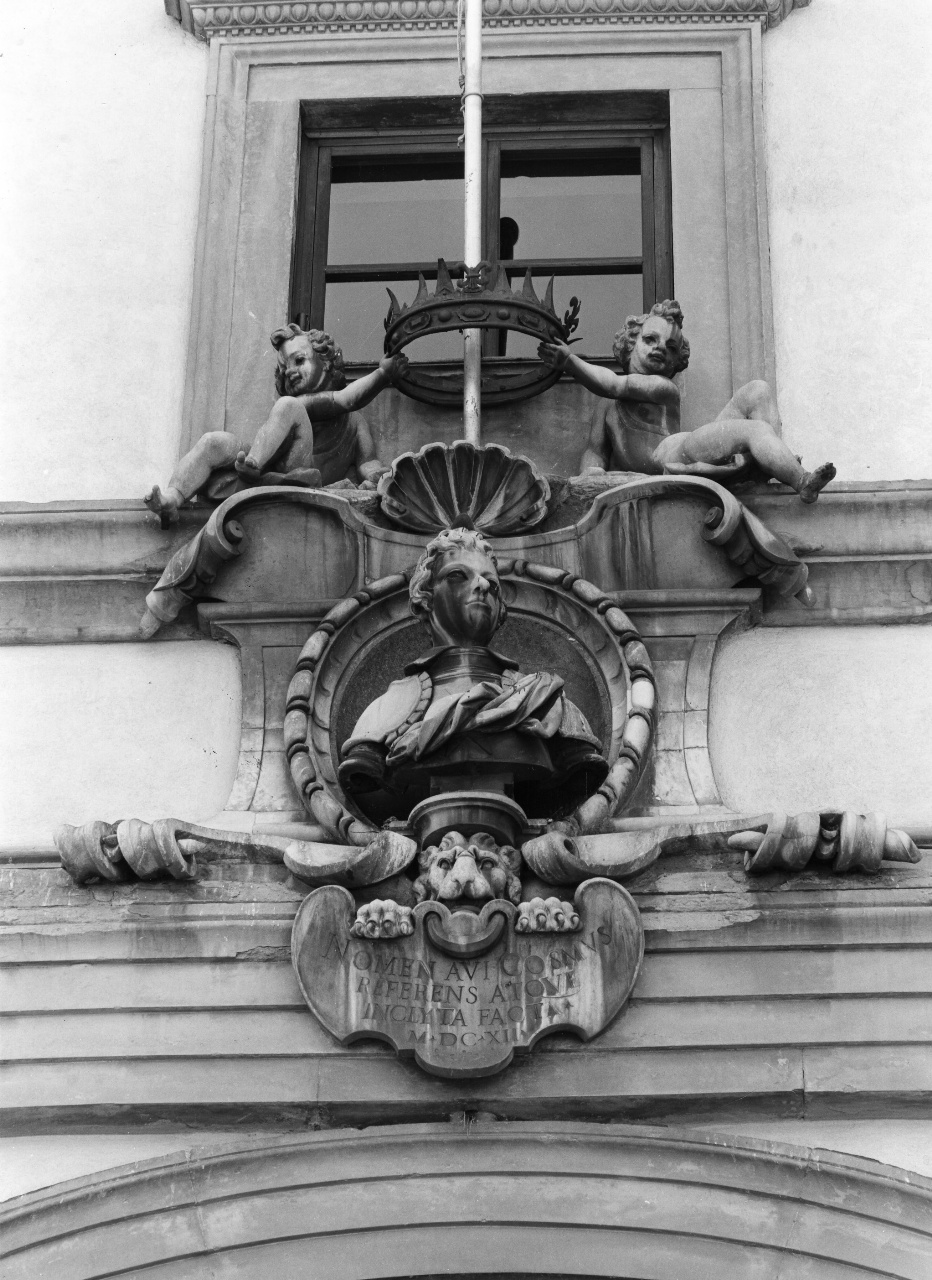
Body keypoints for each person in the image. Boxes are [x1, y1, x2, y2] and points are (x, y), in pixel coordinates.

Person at [338, 526, 607, 819]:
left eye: (491, 584)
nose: (481, 586)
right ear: (424, 597)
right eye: (457, 576)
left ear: (500, 609)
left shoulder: (550, 704)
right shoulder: (382, 714)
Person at [539, 300, 835, 502]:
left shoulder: (663, 388)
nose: (659, 349)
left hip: (675, 451)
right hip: (675, 459)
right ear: (630, 343)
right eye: (650, 340)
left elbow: (615, 384)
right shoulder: (606, 406)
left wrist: (571, 362)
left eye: (669, 348)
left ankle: (798, 479)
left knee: (757, 394)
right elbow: (594, 451)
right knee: (753, 428)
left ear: (673, 362)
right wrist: (591, 476)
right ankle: (767, 462)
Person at [144, 324, 407, 526]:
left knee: (288, 406)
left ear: (327, 365)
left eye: (299, 360)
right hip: (273, 468)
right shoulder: (299, 402)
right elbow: (348, 398)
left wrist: (378, 476)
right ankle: (173, 497)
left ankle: (253, 464)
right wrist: (384, 375)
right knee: (214, 442)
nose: (290, 371)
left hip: (299, 475)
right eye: (284, 368)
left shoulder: (352, 422)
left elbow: (366, 460)